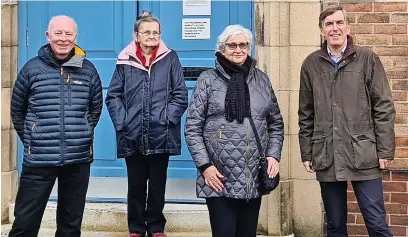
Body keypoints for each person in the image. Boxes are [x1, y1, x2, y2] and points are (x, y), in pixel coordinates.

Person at [298, 6, 395, 237]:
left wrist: (385, 151)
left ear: (348, 27)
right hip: (327, 154)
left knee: (376, 223)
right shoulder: (310, 64)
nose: (335, 28)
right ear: (322, 30)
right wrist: (307, 152)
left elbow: (383, 106)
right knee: (335, 225)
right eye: (329, 24)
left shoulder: (367, 59)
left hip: (364, 153)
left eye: (339, 23)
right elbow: (306, 113)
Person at [185, 25, 284, 237]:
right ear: (221, 49)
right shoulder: (208, 80)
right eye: (232, 45)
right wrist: (205, 167)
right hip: (219, 175)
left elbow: (275, 123)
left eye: (243, 45)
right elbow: (192, 128)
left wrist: (273, 156)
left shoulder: (261, 80)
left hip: (252, 177)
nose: (238, 49)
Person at [9, 15, 103, 237]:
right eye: (58, 33)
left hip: (77, 159)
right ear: (48, 36)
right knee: (25, 224)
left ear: (75, 37)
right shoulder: (31, 70)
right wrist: (33, 139)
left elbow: (94, 110)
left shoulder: (88, 70)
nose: (63, 39)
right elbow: (17, 111)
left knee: (70, 227)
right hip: (39, 159)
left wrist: (82, 133)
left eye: (68, 34)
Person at [105, 10, 188, 237]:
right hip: (132, 133)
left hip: (162, 133)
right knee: (136, 185)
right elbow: (113, 96)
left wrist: (167, 119)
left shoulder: (170, 58)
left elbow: (180, 95)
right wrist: (122, 123)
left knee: (158, 184)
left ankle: (156, 226)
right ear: (136, 35)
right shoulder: (124, 61)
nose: (152, 36)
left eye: (156, 32)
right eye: (147, 32)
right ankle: (136, 227)